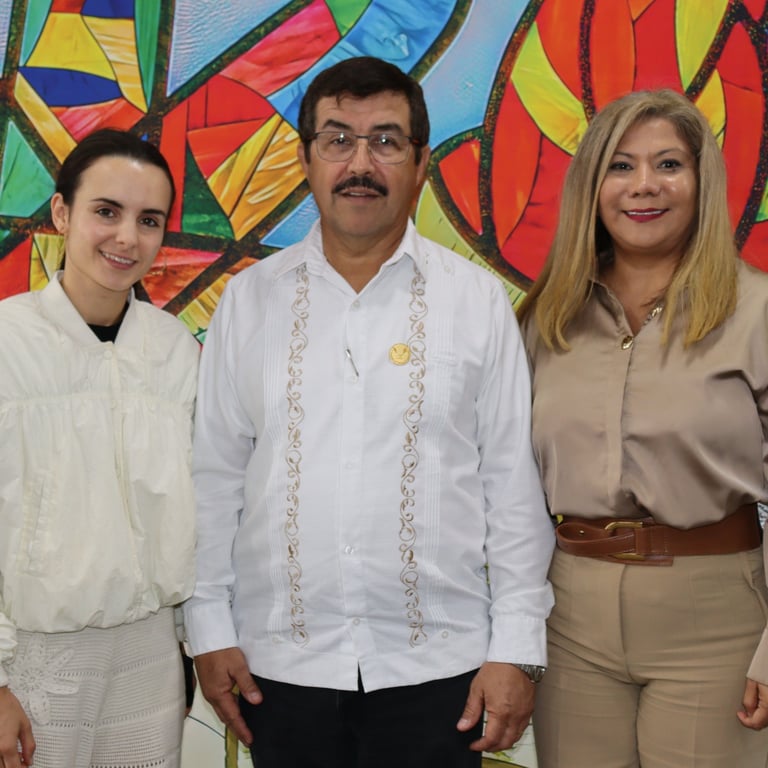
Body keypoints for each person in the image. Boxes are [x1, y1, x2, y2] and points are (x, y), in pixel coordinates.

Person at [183, 55, 555, 767]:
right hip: (278, 666)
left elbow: (511, 487)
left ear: (420, 163)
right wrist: (208, 628)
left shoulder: (475, 302)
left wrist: (516, 647)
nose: (360, 163)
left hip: (439, 668)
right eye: (338, 140)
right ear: (305, 160)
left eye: (385, 140)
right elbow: (216, 479)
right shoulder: (249, 302)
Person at [519, 88, 768, 767]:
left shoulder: (755, 311)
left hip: (715, 617)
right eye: (621, 166)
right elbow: (507, 488)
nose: (644, 186)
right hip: (570, 619)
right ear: (592, 186)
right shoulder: (545, 318)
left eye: (669, 164)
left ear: (702, 181)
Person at [0, 129, 199, 768]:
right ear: (62, 213)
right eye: (106, 212)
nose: (126, 238)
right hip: (30, 658)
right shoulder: (8, 341)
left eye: (149, 220)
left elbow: (201, 507)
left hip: (150, 659)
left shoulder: (176, 352)